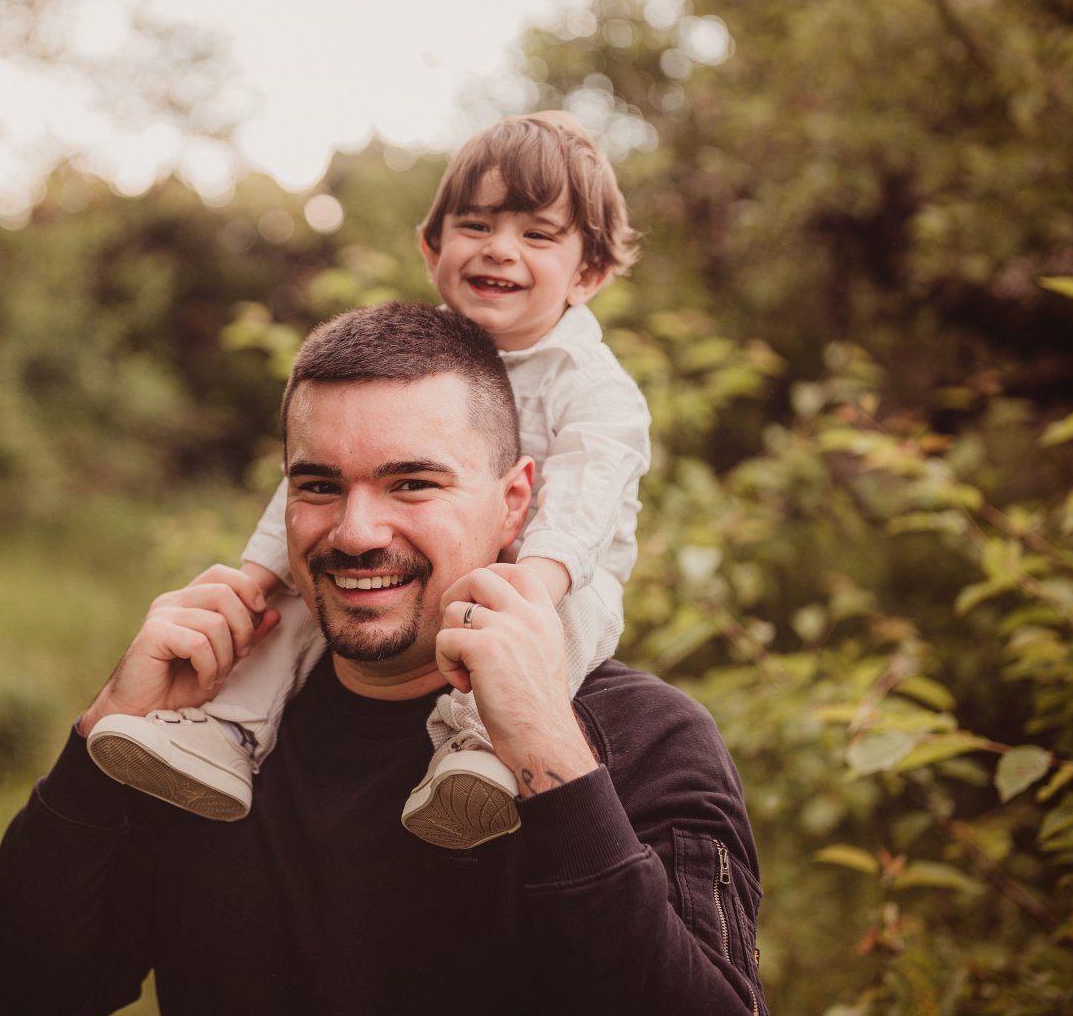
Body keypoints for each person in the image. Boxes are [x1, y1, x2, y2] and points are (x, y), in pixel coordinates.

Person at [0, 303, 769, 1016]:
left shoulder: (646, 739)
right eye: (318, 485)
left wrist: (551, 756)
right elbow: (25, 993)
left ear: (514, 500)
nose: (355, 532)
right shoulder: (205, 742)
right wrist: (108, 732)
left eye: (412, 483)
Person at [86, 112, 653, 851]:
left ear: (590, 273)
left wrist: (535, 584)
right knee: (294, 593)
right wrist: (263, 575)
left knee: (559, 621)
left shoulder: (594, 386)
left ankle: (478, 747)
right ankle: (226, 731)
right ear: (432, 247)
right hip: (428, 566)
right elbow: (323, 474)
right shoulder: (413, 358)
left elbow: (585, 493)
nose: (499, 249)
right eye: (475, 225)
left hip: (557, 572)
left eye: (537, 234)